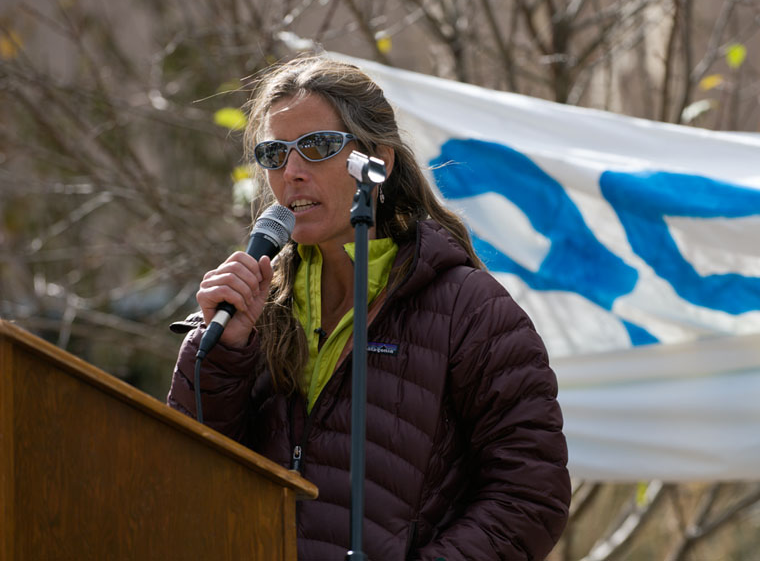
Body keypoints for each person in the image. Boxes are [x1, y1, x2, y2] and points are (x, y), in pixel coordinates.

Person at [167, 54, 571, 560]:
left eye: (316, 147)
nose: (290, 172)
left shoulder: (471, 310)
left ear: (378, 162)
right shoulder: (253, 309)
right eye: (274, 153)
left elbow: (530, 496)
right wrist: (222, 349)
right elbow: (188, 472)